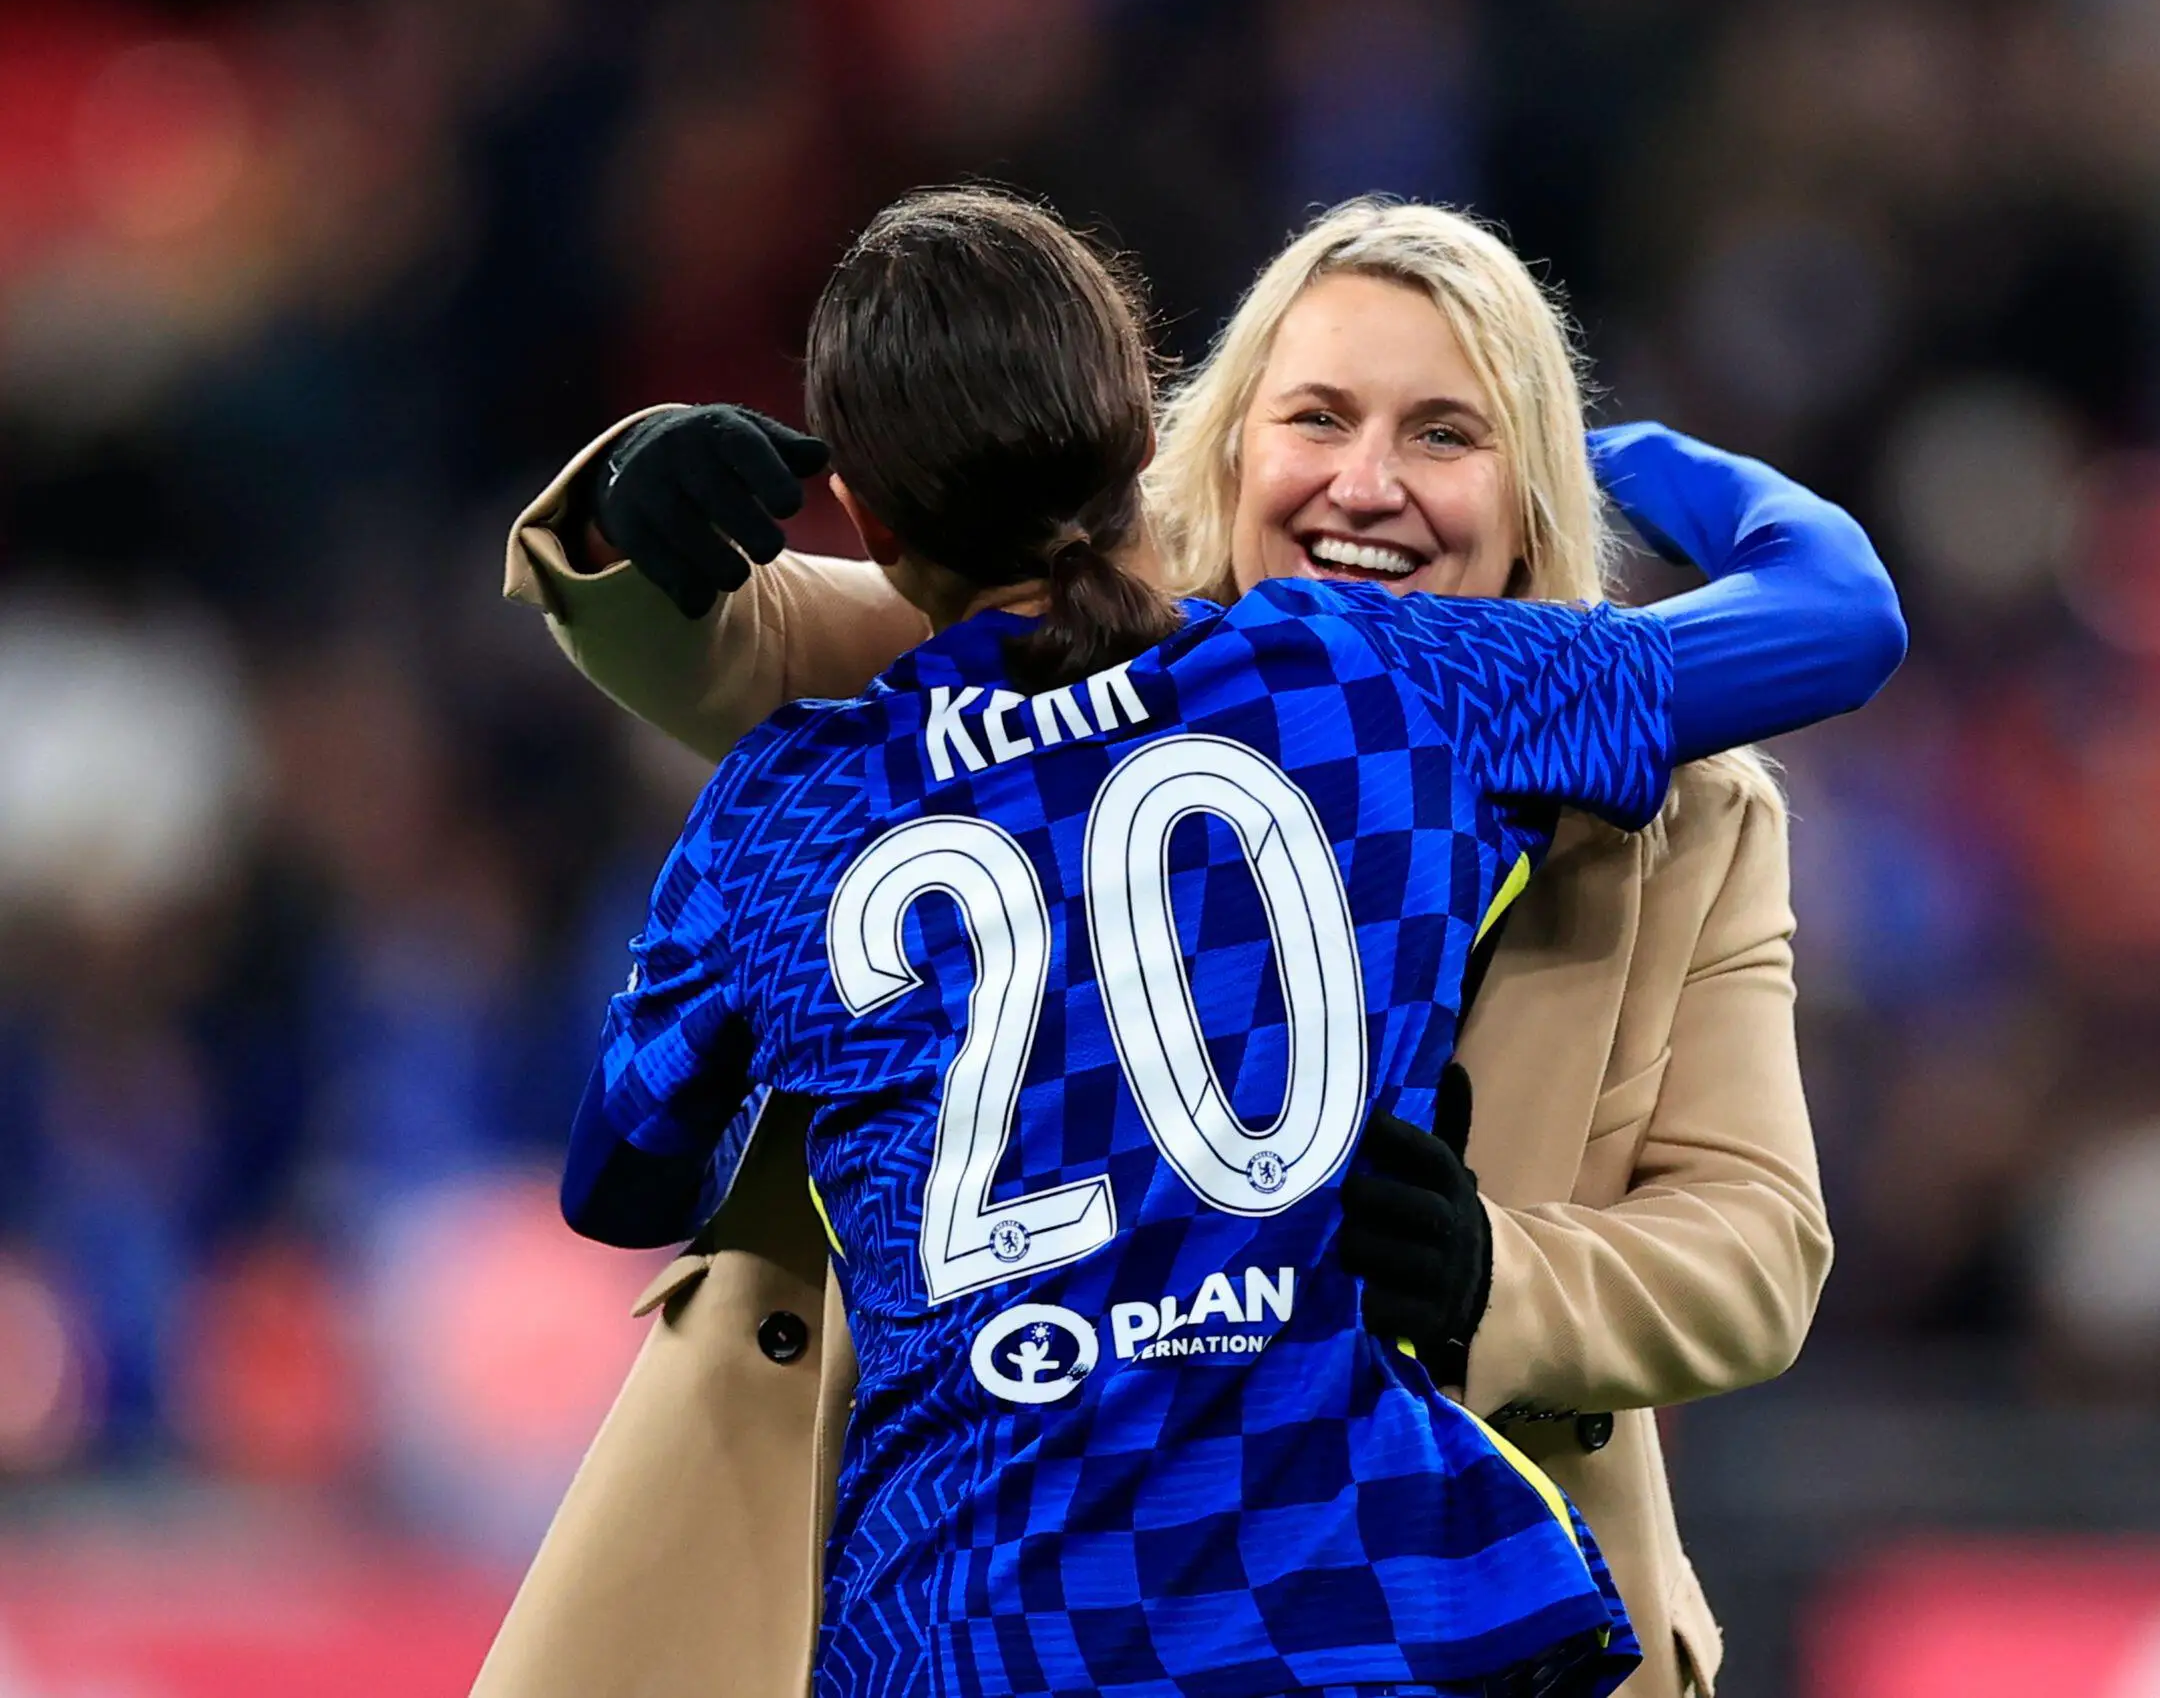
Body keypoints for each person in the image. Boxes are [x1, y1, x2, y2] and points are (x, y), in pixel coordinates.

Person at [480, 199, 1903, 1698]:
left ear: (1532, 488)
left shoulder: (1686, 810)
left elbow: (1756, 1243)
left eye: (1443, 434)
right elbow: (742, 626)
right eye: (1317, 416)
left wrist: (1505, 1281)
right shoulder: (1290, 669)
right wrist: (632, 509)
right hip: (1276, 1608)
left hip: (1107, 1614)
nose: (1369, 483)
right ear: (1202, 454)